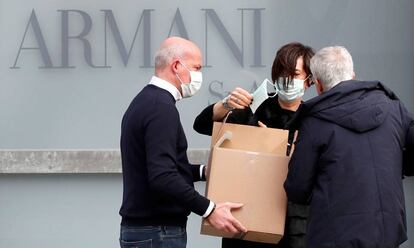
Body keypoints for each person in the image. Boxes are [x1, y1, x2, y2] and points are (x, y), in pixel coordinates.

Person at [119, 36, 247, 248]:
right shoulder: (161, 108)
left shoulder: (145, 102)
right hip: (157, 232)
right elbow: (163, 176)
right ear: (176, 66)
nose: (199, 75)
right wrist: (210, 209)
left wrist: (203, 172)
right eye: (197, 68)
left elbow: (160, 166)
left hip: (146, 231)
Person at [284, 46, 414, 248]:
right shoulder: (393, 108)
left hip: (333, 237)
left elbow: (297, 190)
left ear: (318, 85)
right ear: (353, 75)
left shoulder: (314, 122)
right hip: (387, 233)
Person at [194, 42, 315, 248]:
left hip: (294, 224)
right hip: (247, 219)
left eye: (294, 74)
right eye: (281, 72)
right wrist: (225, 104)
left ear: (309, 81)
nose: (287, 79)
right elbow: (202, 125)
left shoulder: (314, 119)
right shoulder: (255, 106)